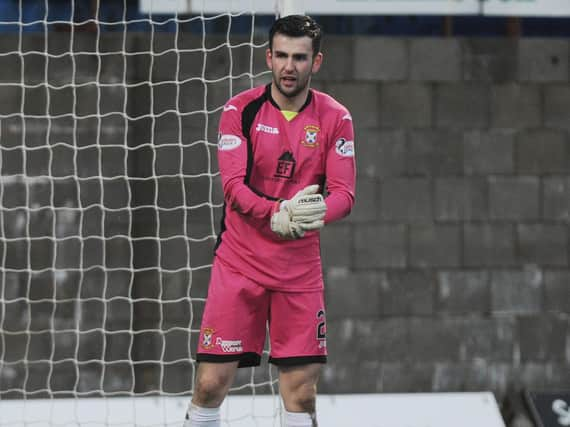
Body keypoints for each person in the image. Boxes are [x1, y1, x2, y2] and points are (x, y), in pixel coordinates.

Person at [184, 14, 356, 427]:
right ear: (268, 57)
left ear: (316, 62)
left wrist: (311, 216)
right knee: (210, 384)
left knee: (302, 395)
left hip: (298, 272)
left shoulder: (336, 118)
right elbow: (233, 188)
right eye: (281, 55)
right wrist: (276, 213)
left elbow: (344, 196)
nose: (288, 66)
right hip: (239, 265)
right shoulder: (239, 110)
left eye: (299, 57)